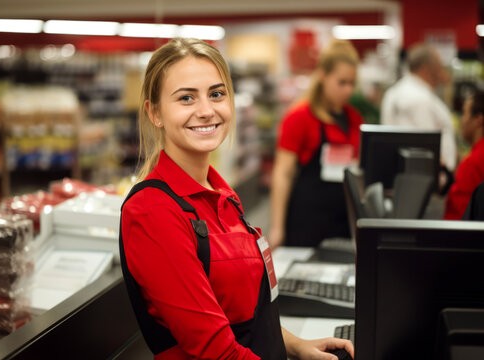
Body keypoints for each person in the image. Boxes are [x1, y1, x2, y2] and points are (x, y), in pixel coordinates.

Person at [119, 38, 354, 360]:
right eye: (186, 98)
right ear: (155, 112)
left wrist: (297, 346)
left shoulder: (224, 194)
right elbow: (215, 349)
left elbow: (242, 313)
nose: (206, 111)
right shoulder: (153, 211)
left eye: (216, 94)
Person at [270, 39, 363, 249]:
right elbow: (282, 173)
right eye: (342, 82)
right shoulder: (300, 117)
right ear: (323, 75)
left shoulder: (355, 118)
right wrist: (277, 227)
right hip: (308, 218)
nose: (348, 90)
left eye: (352, 83)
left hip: (344, 216)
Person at [381, 43, 457, 172]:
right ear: (426, 68)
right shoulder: (419, 98)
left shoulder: (394, 92)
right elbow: (426, 143)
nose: (442, 72)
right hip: (426, 179)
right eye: (439, 67)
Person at [444, 90, 484, 220]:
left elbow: (459, 217)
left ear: (478, 119)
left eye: (464, 113)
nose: (462, 120)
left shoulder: (472, 163)